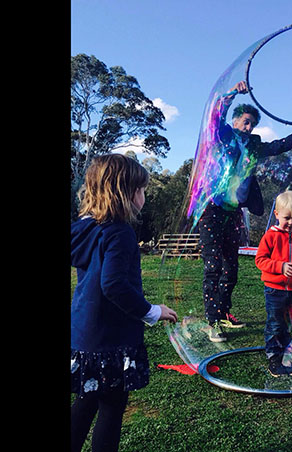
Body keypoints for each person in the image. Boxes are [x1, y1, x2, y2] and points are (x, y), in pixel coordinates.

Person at [71, 154, 178, 452]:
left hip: (84, 335)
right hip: (111, 339)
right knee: (112, 406)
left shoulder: (85, 229)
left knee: (87, 398)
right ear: (125, 193)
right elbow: (114, 285)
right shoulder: (120, 232)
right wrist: (152, 311)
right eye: (142, 190)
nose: (144, 195)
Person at [199, 80, 292, 342]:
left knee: (231, 268)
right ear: (235, 121)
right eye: (245, 121)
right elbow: (215, 118)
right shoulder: (223, 135)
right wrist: (231, 94)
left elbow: (278, 146)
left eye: (252, 123)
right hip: (212, 209)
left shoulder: (253, 144)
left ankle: (224, 312)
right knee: (213, 266)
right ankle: (212, 322)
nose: (248, 126)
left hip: (233, 212)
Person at [255, 191, 292, 377]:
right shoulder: (270, 237)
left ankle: (285, 352)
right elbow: (260, 260)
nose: (291, 222)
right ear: (276, 214)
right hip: (275, 290)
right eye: (287, 218)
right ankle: (274, 360)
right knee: (275, 323)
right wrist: (279, 266)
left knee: (290, 323)